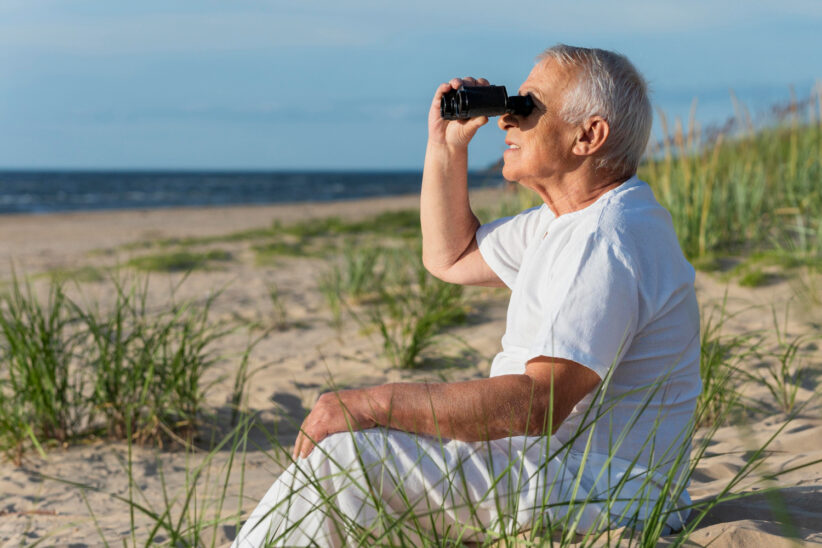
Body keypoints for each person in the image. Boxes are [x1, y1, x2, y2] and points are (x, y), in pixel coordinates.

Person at [232, 44, 701, 547]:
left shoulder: (605, 239)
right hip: (563, 469)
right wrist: (447, 148)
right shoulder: (569, 221)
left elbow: (538, 405)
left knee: (347, 463)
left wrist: (370, 402)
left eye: (527, 107)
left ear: (588, 135)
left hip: (606, 488)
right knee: (361, 454)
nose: (505, 121)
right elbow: (450, 256)